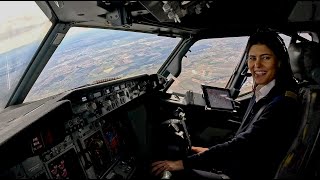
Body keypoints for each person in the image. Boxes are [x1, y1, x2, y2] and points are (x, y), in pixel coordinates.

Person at [151, 30, 301, 179]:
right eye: (252, 58)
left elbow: (244, 144)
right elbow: (247, 141)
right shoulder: (268, 92)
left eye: (266, 58)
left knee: (173, 173)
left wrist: (182, 164)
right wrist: (209, 152)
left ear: (279, 61)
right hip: (240, 165)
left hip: (245, 173)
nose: (257, 65)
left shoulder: (282, 103)